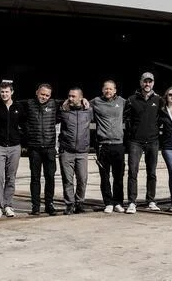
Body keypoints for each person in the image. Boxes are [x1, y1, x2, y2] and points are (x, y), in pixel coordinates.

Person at [124, 72, 163, 214]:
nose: (147, 84)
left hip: (153, 140)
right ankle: (132, 202)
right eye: (145, 81)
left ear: (153, 83)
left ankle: (151, 200)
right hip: (136, 142)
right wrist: (131, 134)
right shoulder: (132, 99)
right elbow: (125, 118)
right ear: (141, 82)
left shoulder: (159, 99)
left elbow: (166, 114)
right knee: (133, 172)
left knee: (151, 172)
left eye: (150, 81)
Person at [0, 81, 23, 219]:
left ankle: (8, 205)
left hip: (15, 146)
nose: (4, 94)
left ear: (12, 92)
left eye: (7, 91)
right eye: (2, 92)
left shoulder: (18, 107)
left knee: (11, 177)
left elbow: (24, 124)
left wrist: (22, 140)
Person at [90, 80, 126, 213]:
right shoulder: (96, 102)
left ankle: (118, 202)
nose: (108, 91)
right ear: (102, 90)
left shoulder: (122, 102)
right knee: (104, 176)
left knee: (118, 176)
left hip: (118, 144)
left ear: (115, 90)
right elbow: (82, 103)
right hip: (103, 145)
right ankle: (108, 202)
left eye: (111, 89)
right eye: (106, 88)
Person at [57, 87, 93, 215]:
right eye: (69, 96)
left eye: (73, 96)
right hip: (67, 151)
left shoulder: (88, 111)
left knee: (82, 179)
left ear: (81, 98)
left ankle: (79, 203)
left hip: (82, 151)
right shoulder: (63, 111)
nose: (70, 98)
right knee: (68, 180)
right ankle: (69, 204)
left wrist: (87, 102)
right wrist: (63, 105)